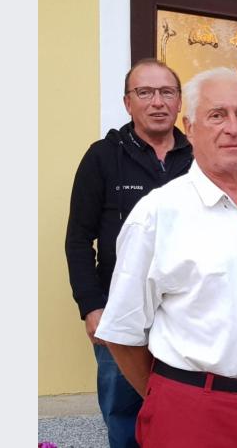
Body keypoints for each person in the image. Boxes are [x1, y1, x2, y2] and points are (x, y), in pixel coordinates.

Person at [94, 67, 237, 448]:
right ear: (191, 127)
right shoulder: (158, 214)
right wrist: (169, 393)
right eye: (217, 115)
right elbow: (122, 333)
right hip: (191, 412)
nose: (233, 128)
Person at [65, 58, 192, 448]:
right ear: (127, 103)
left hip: (186, 315)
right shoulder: (103, 157)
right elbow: (78, 239)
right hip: (121, 318)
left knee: (183, 417)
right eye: (145, 93)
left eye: (167, 92)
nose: (157, 102)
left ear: (179, 101)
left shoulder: (197, 159)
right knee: (124, 422)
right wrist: (92, 307)